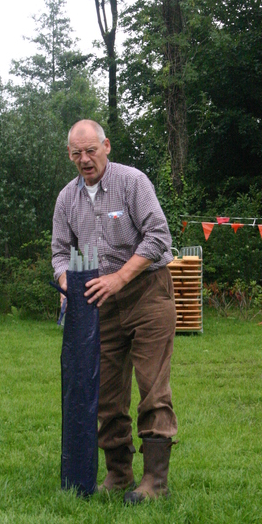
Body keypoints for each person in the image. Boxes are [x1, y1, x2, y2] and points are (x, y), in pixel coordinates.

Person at [51, 119, 178, 504]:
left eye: (91, 150)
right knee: (105, 394)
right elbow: (59, 252)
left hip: (148, 293)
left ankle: (154, 483)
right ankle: (119, 475)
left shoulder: (132, 182)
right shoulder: (66, 199)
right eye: (77, 153)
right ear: (69, 155)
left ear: (106, 146)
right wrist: (66, 284)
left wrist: (119, 279)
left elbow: (159, 236)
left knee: (152, 389)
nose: (85, 159)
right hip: (97, 304)